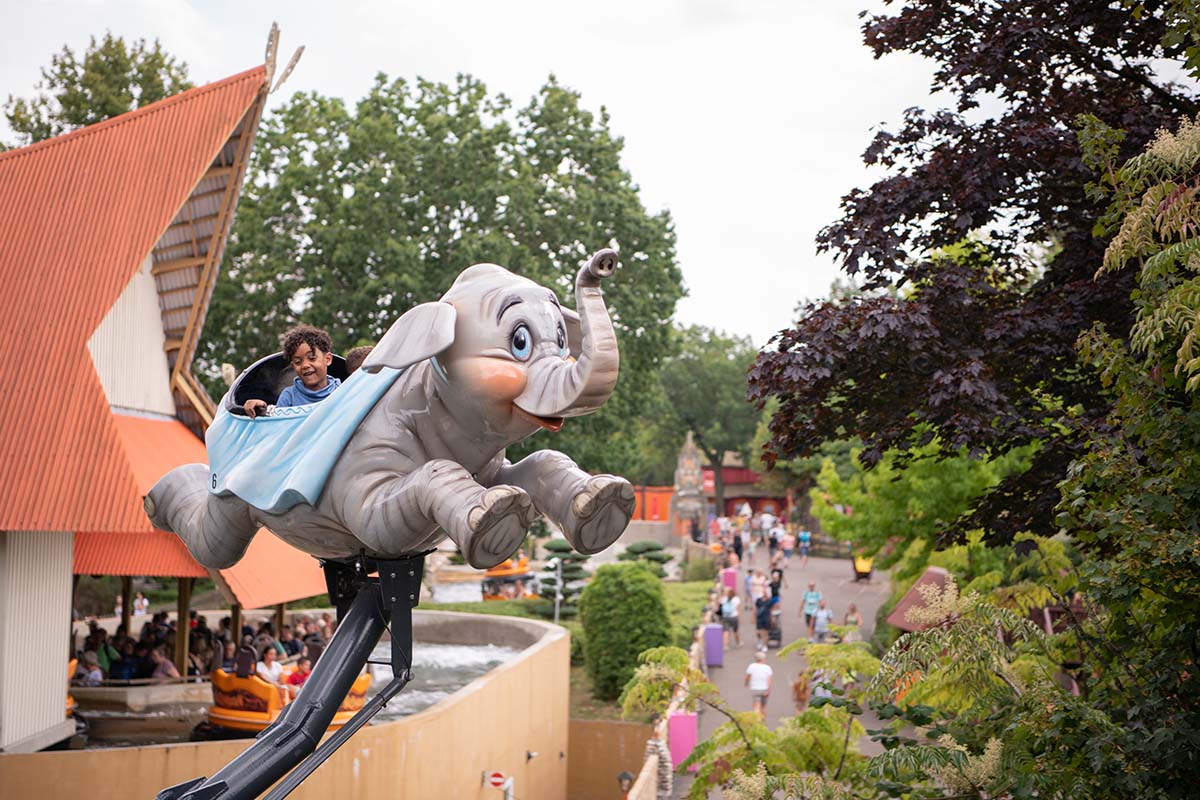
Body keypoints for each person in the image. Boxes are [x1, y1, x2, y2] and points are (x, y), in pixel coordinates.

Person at [244, 324, 341, 417]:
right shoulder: (289, 397)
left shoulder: (342, 391)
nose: (305, 365)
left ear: (327, 359)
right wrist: (261, 409)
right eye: (298, 362)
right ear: (293, 366)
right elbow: (279, 424)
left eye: (312, 358)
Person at [745, 651, 773, 719]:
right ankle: (763, 721)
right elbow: (769, 680)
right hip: (764, 689)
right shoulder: (767, 668)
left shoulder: (751, 666)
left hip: (755, 689)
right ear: (763, 659)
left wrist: (746, 683)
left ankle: (757, 721)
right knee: (763, 706)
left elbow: (747, 676)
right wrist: (769, 689)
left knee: (756, 706)